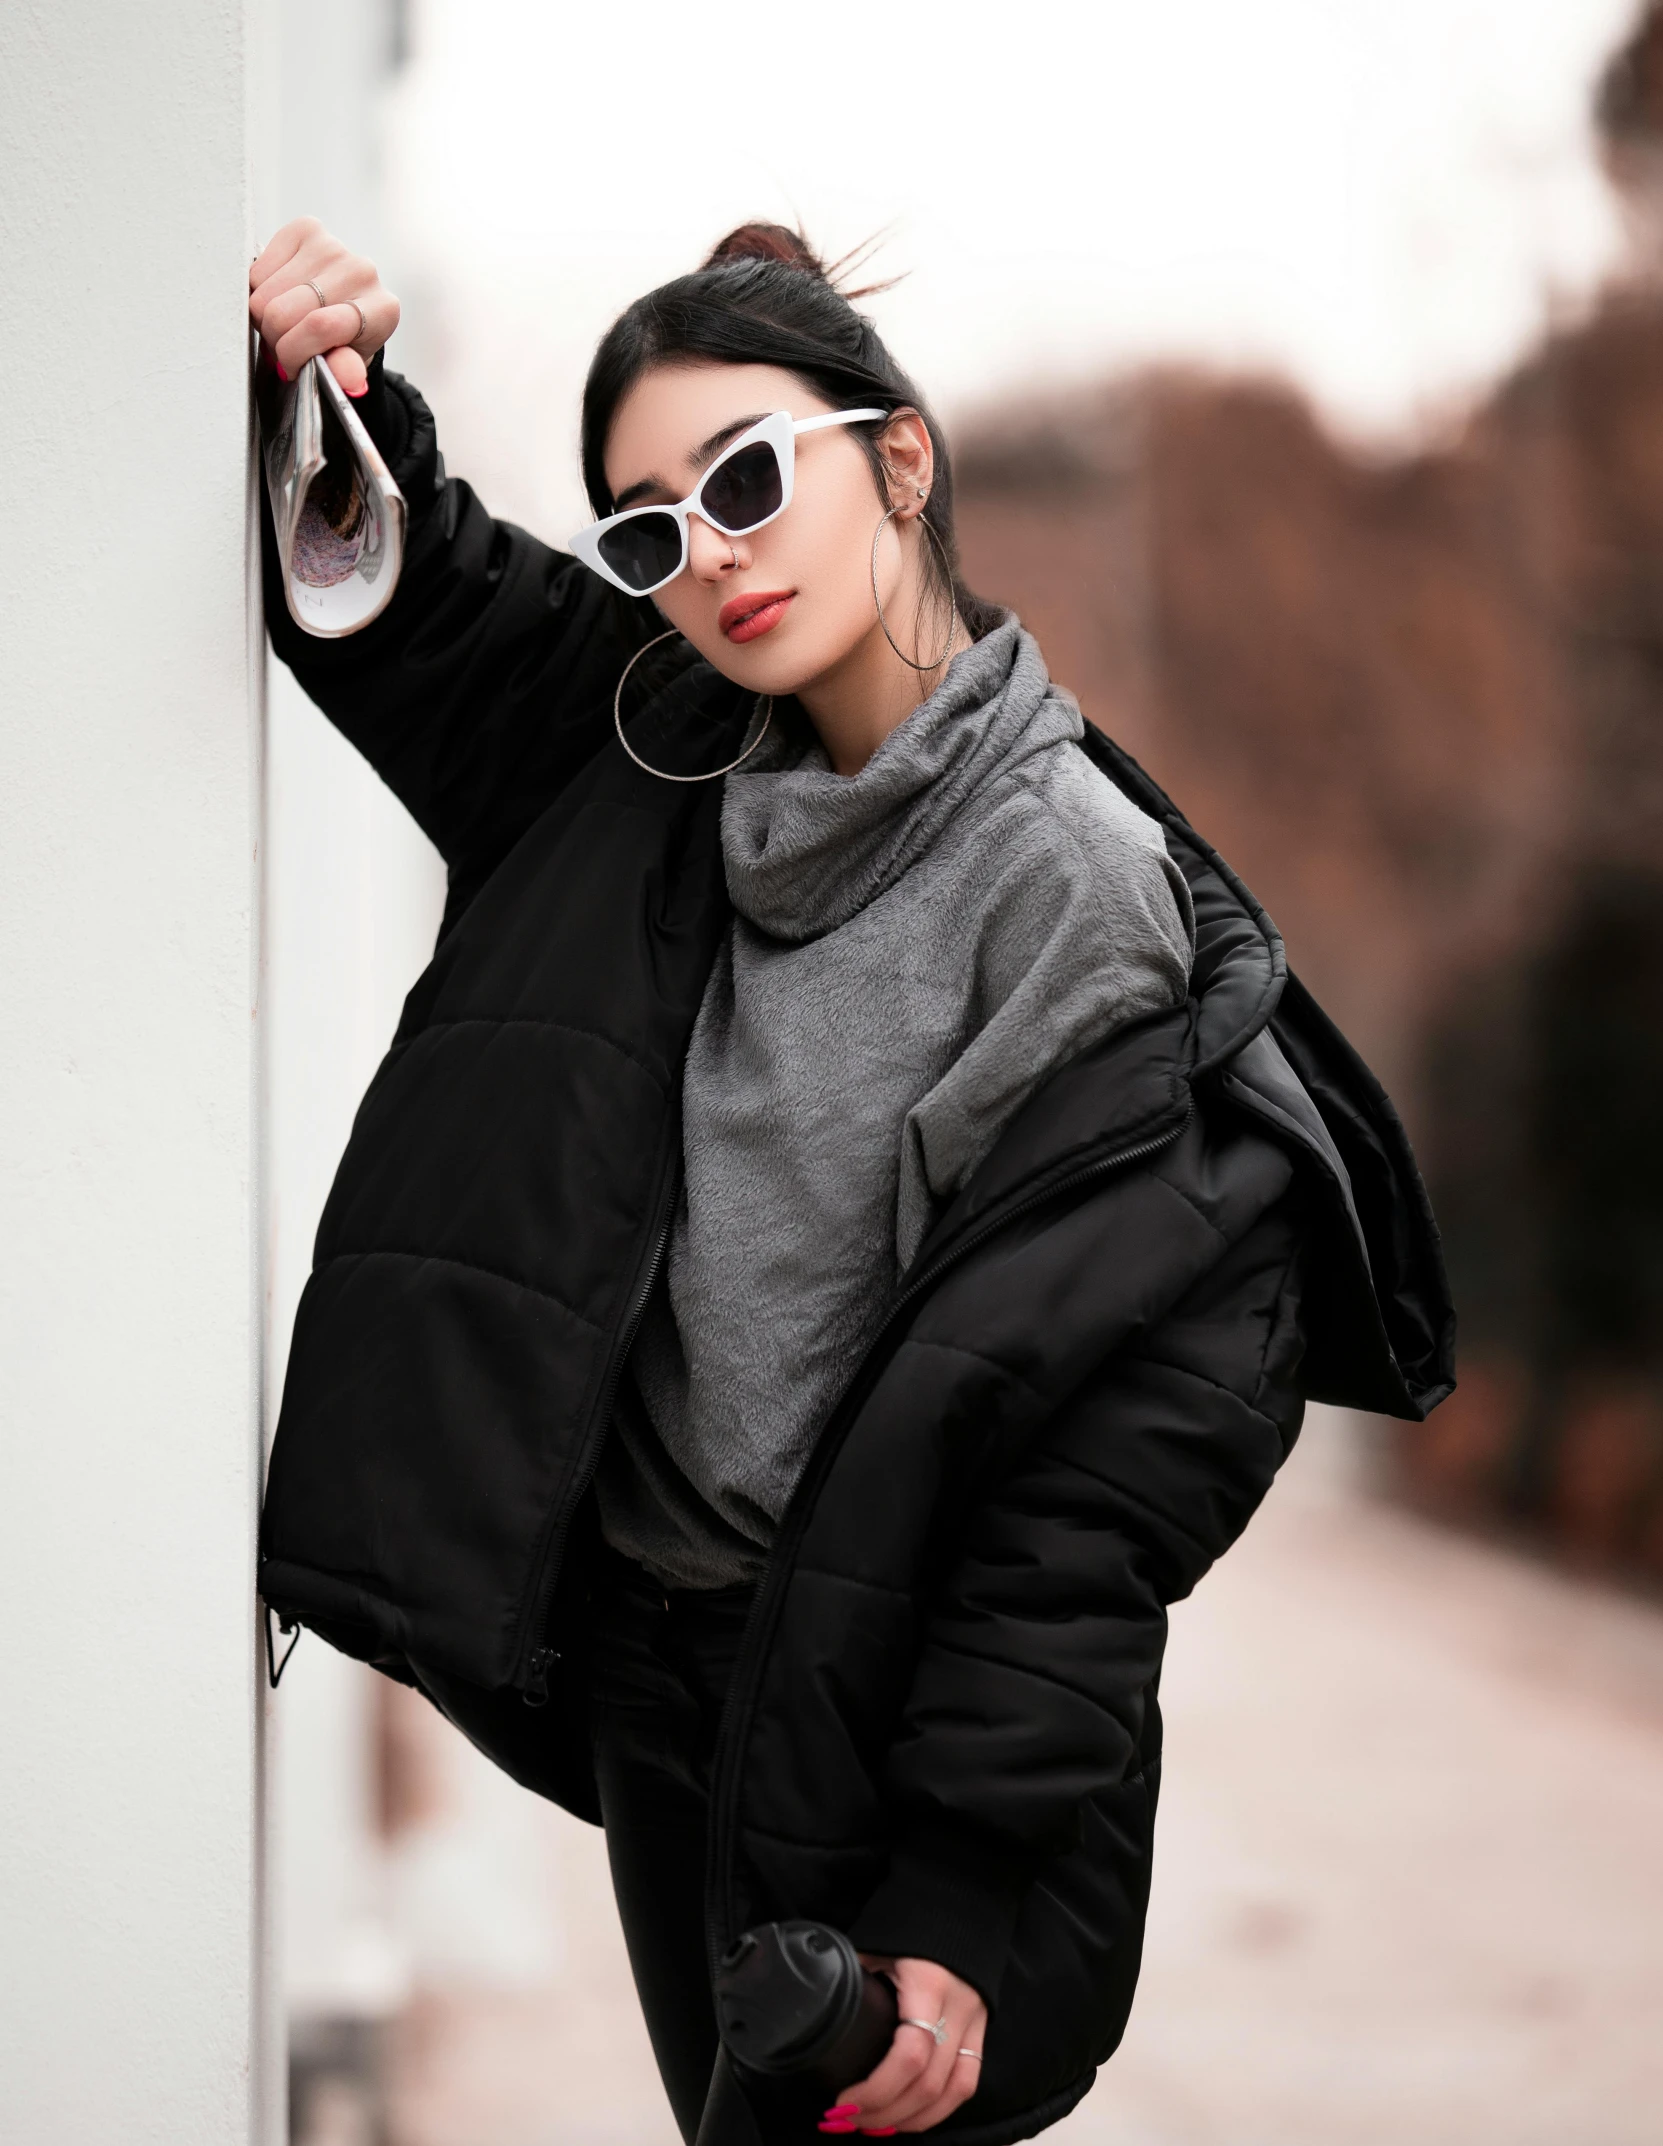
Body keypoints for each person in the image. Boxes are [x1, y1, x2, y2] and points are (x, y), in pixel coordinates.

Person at [251, 216, 1453, 2144]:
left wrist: (962, 1884)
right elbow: (436, 603)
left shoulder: (1062, 883)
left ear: (899, 459)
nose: (705, 554)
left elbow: (1103, 1469)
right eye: (646, 531)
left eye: (745, 479)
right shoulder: (658, 757)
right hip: (658, 1676)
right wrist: (336, 390)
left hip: (867, 1722)